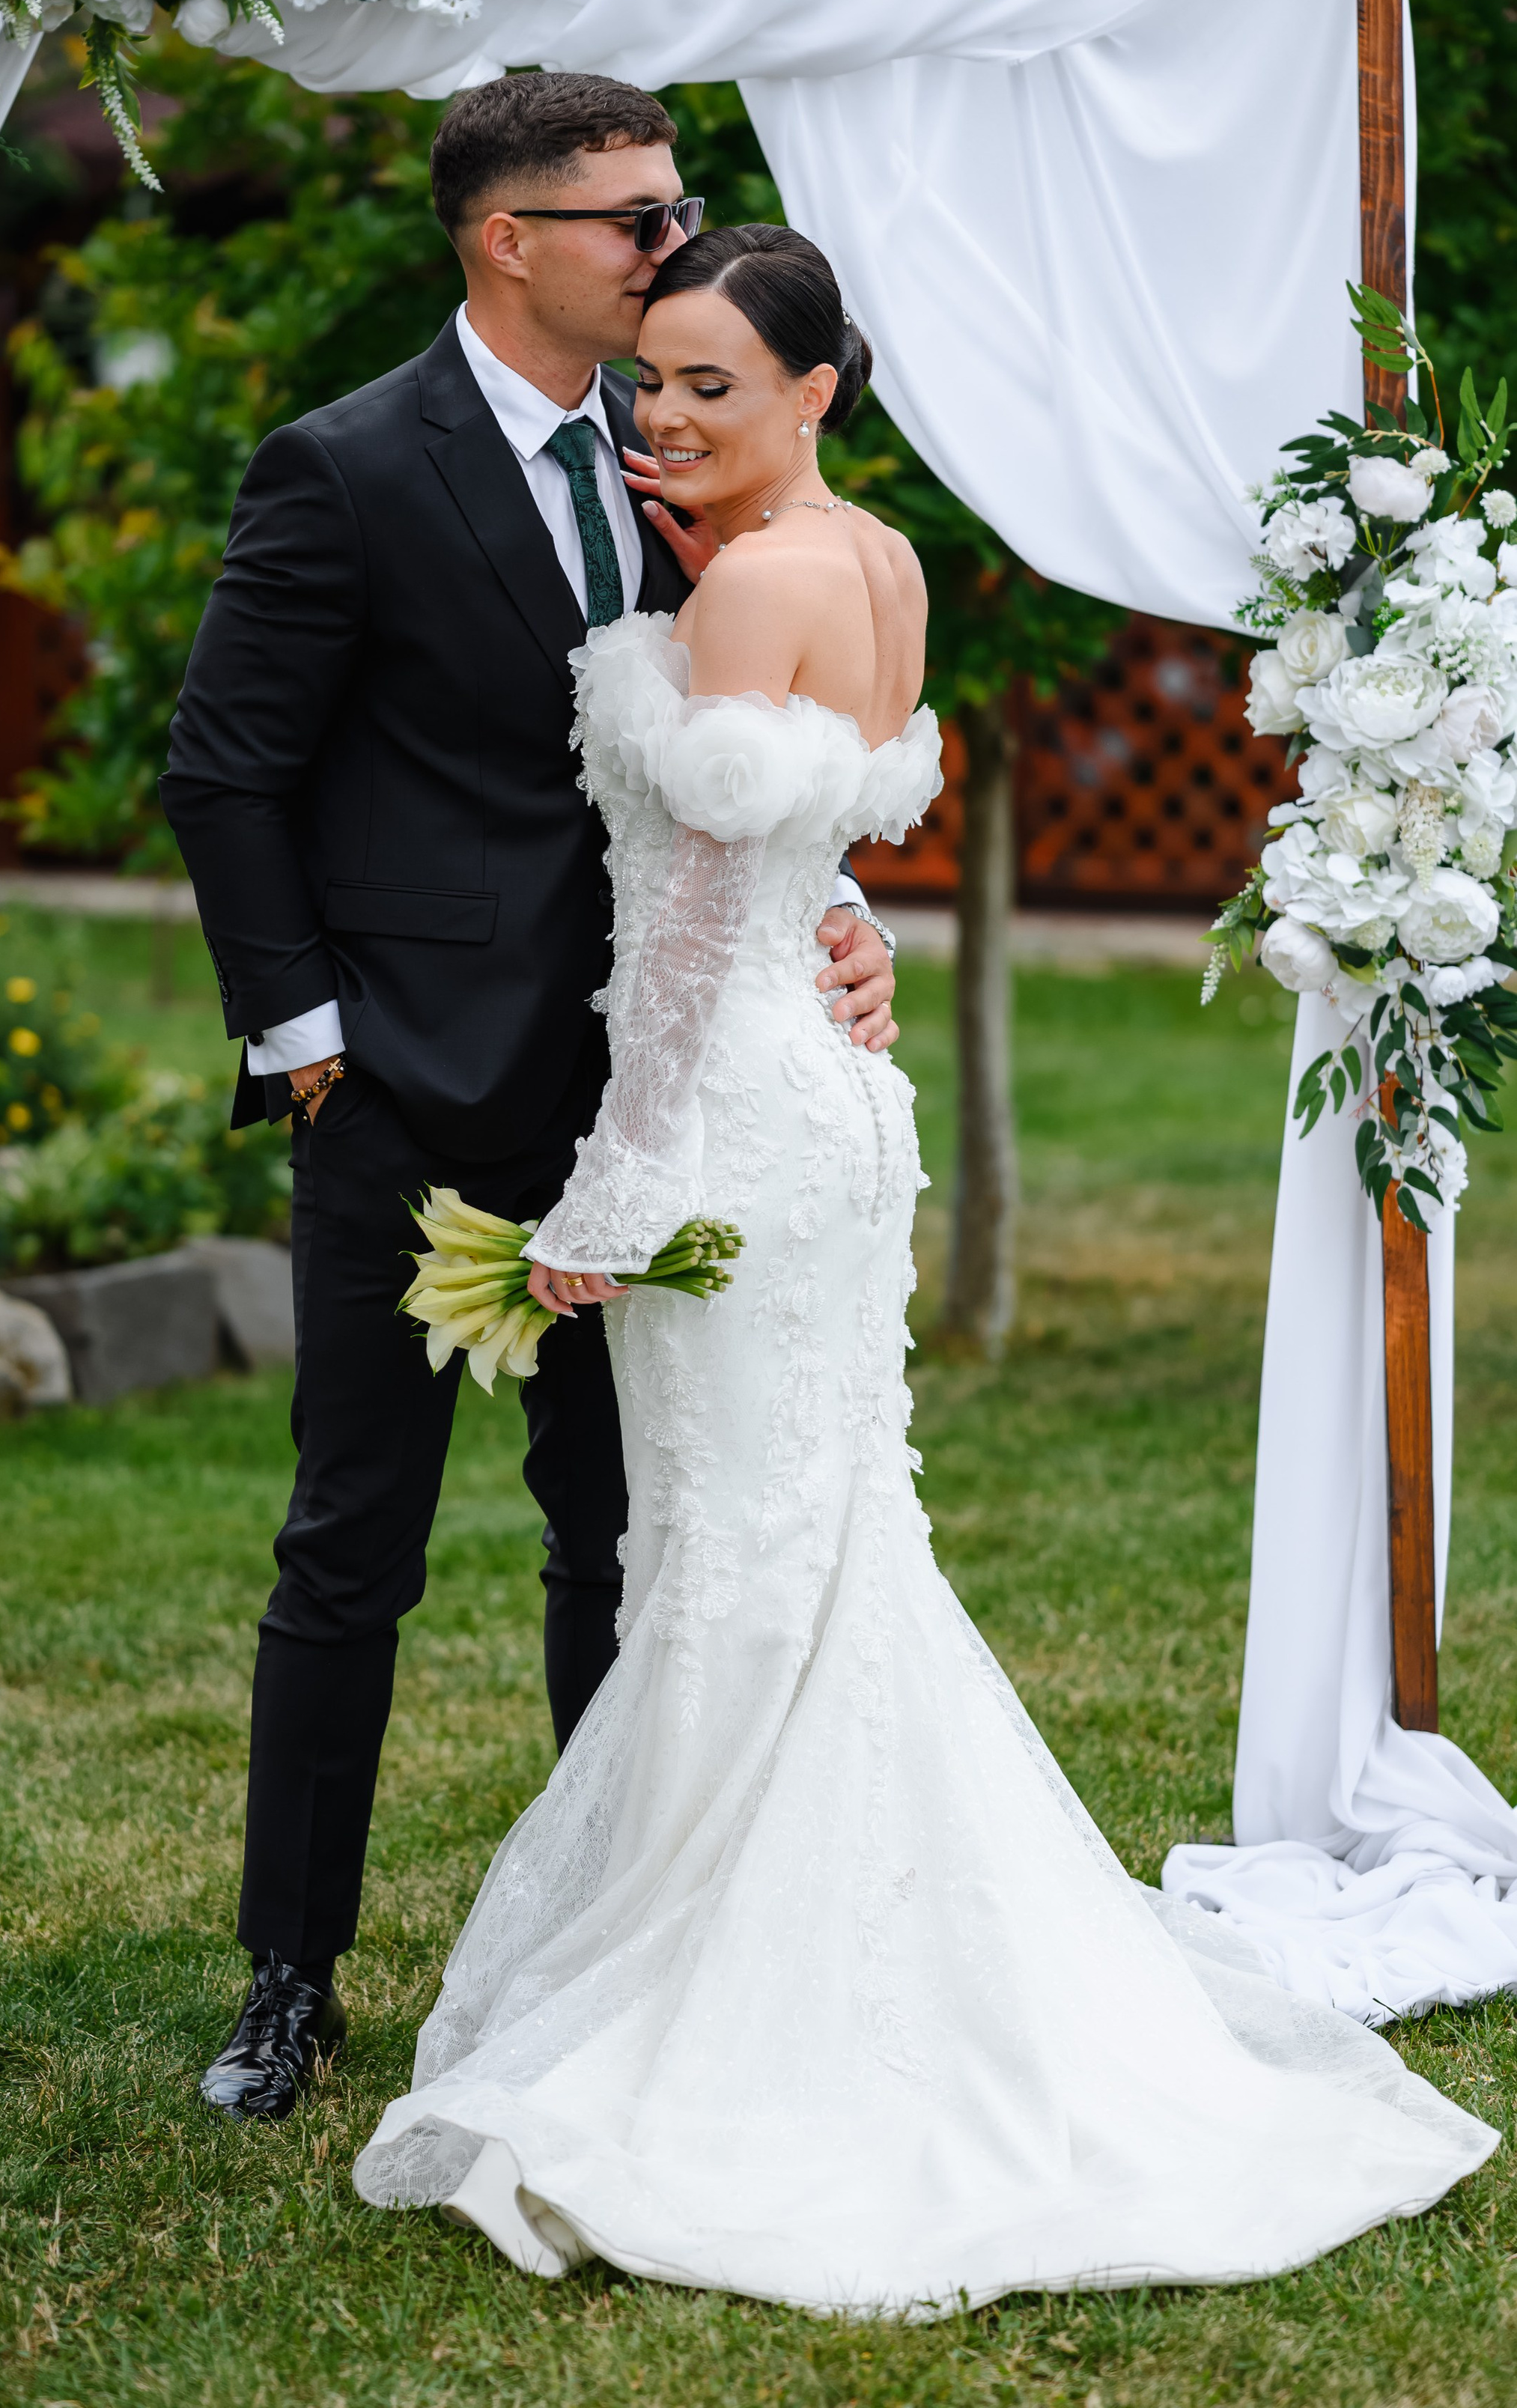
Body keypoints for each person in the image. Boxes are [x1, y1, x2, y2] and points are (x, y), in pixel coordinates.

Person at [351, 224, 1497, 2314]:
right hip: (836, 1114)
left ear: (816, 390)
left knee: (737, 1559)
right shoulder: (872, 562)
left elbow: (688, 939)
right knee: (813, 1543)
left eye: (713, 383)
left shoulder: (748, 589)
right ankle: (841, 1938)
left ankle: (734, 1995)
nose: (666, 415)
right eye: (653, 379)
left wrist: (610, 1193)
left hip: (729, 1120)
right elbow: (806, 867)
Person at [160, 78, 899, 2124]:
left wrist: (834, 916)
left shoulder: (688, 454)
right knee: (353, 1548)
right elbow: (225, 767)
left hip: (659, 1097)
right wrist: (306, 1043)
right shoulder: (343, 467)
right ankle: (290, 1977)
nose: (673, 244)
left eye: (676, 211)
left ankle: (610, 1949)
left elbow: (748, 758)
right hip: (404, 1093)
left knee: (628, 1536)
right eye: (636, 218)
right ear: (511, 240)